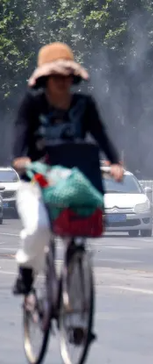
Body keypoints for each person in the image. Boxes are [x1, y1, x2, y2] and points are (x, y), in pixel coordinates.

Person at [11, 42, 124, 295]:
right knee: (39, 228)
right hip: (37, 179)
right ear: (45, 79)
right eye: (55, 76)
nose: (62, 82)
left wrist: (115, 162)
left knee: (79, 234)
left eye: (66, 76)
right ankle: (27, 270)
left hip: (74, 181)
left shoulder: (84, 104)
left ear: (73, 77)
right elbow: (19, 137)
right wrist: (19, 159)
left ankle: (75, 313)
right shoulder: (32, 105)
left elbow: (101, 135)